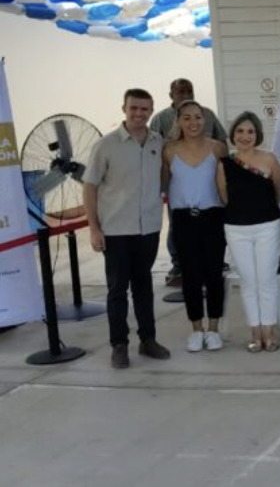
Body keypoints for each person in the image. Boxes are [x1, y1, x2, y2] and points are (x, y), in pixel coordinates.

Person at [83, 88, 173, 369]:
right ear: (124, 108)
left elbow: (164, 179)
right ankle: (119, 345)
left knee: (144, 288)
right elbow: (90, 186)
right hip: (116, 231)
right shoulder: (106, 145)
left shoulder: (159, 142)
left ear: (151, 110)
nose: (139, 114)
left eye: (145, 109)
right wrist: (94, 229)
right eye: (134, 108)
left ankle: (148, 340)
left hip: (148, 229)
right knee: (117, 291)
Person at [162, 100, 229, 352]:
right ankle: (196, 329)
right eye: (187, 117)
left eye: (198, 117)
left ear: (206, 120)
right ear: (179, 121)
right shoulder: (168, 151)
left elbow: (226, 186)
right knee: (189, 275)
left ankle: (213, 328)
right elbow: (163, 185)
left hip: (212, 217)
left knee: (213, 274)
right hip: (183, 219)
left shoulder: (218, 148)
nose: (193, 122)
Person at [216, 111, 280, 352]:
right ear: (233, 135)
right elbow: (224, 197)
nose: (245, 136)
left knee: (266, 280)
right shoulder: (225, 164)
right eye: (240, 131)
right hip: (236, 229)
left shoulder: (270, 160)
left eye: (251, 131)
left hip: (268, 227)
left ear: (258, 134)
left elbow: (278, 192)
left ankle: (269, 330)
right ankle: (254, 331)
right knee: (248, 281)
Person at [149, 77, 225, 288]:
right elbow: (153, 148)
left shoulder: (207, 114)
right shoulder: (160, 119)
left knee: (213, 228)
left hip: (208, 181)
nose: (185, 94)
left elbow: (223, 140)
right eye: (180, 92)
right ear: (171, 95)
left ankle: (215, 260)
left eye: (188, 91)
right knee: (178, 227)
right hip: (179, 183)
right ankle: (179, 264)